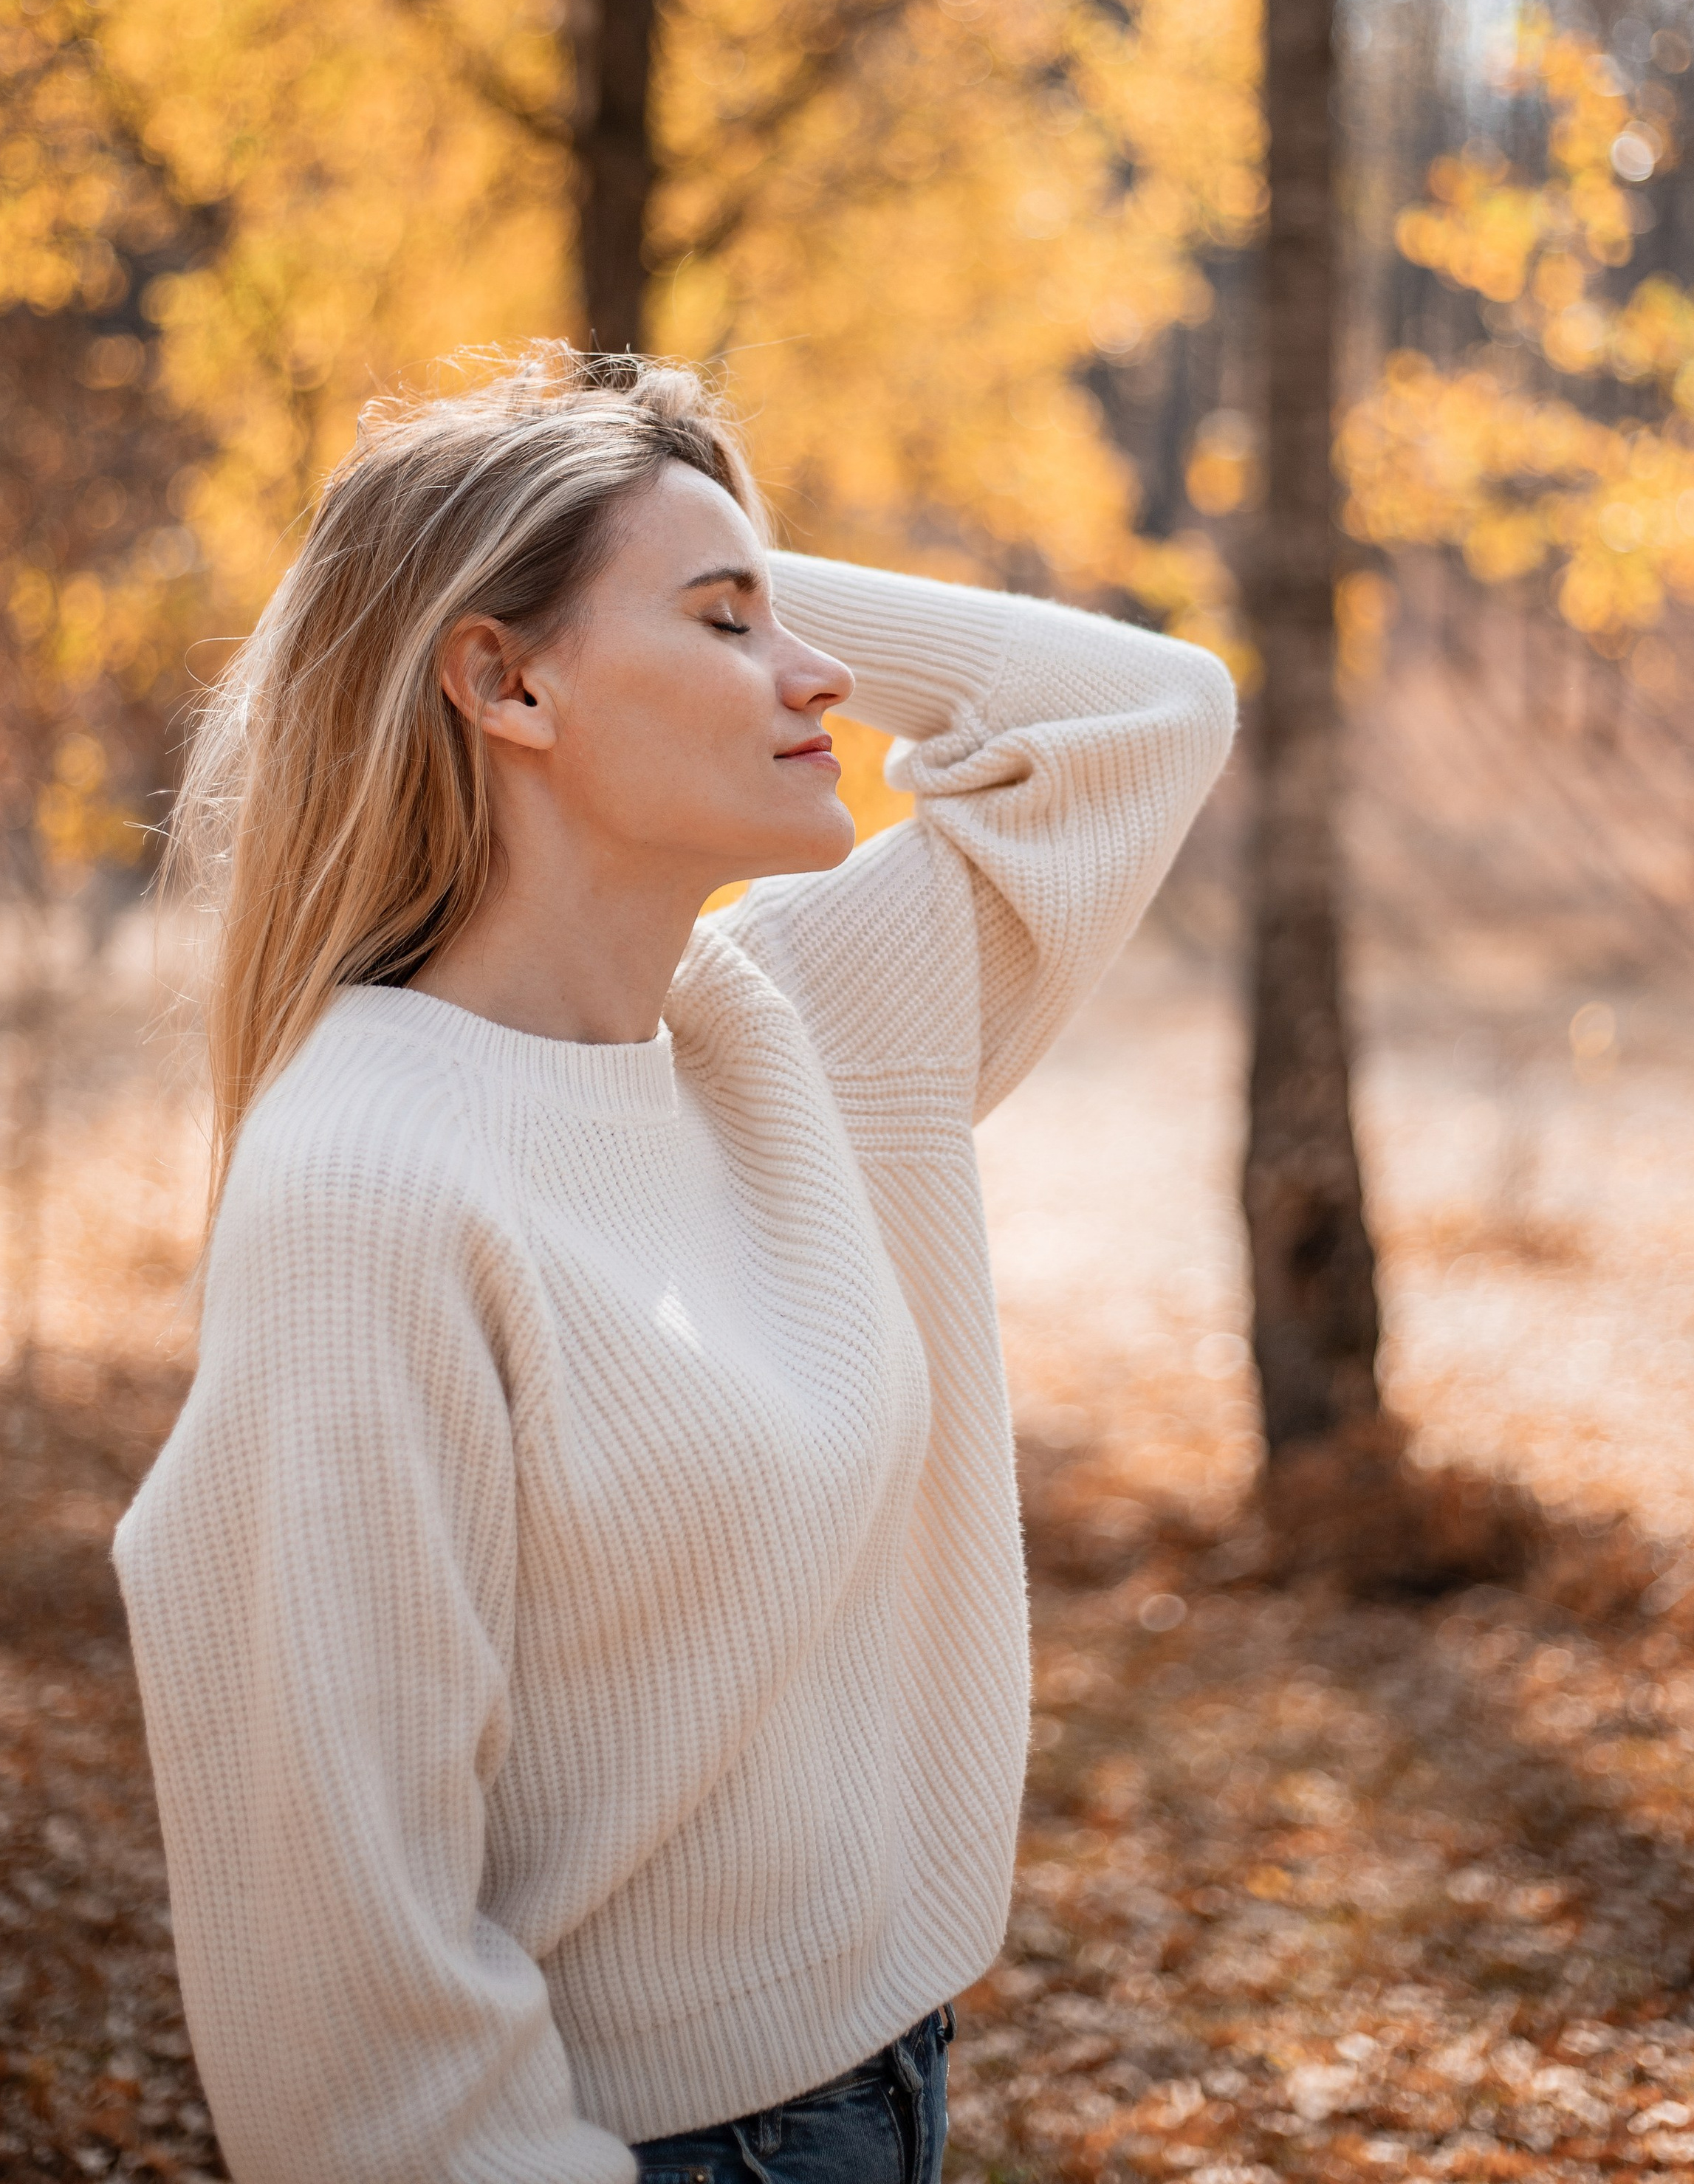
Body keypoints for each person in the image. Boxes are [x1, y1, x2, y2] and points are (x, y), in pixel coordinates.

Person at [115, 346, 1235, 2184]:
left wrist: (683, 514)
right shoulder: (372, 1187)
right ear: (501, 677)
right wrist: (545, 523)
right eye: (728, 623)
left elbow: (1147, 713)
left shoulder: (774, 1026)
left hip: (884, 2075)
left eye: (779, 612)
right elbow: (343, 1991)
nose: (822, 675)